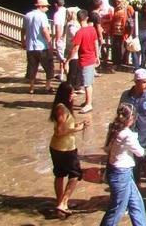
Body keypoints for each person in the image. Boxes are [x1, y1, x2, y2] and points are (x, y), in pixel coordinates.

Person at [119, 68, 146, 217]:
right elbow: (119, 117)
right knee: (133, 174)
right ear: (136, 82)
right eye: (144, 82)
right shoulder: (125, 96)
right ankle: (133, 203)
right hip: (130, 143)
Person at [100, 103, 146, 226]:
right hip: (121, 174)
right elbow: (140, 152)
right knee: (117, 209)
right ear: (131, 119)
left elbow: (106, 148)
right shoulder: (127, 135)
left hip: (118, 171)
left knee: (136, 203)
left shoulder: (114, 128)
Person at [49, 81, 89, 218]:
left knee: (59, 175)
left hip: (58, 147)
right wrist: (78, 128)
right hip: (65, 148)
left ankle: (61, 202)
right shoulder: (62, 109)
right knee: (75, 174)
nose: (73, 95)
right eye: (71, 93)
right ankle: (63, 202)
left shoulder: (61, 107)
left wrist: (77, 124)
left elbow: (64, 126)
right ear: (66, 94)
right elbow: (59, 131)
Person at [22, 0, 54, 94]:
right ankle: (47, 86)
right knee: (49, 66)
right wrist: (50, 43)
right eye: (46, 6)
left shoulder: (27, 15)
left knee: (32, 67)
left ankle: (31, 87)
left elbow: (23, 29)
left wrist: (22, 41)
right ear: (41, 6)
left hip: (30, 46)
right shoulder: (42, 16)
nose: (47, 8)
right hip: (42, 46)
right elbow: (44, 30)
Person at [69, 9, 99, 113]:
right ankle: (87, 101)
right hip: (91, 58)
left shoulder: (80, 32)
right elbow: (96, 43)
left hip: (85, 59)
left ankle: (89, 104)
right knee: (88, 82)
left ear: (78, 19)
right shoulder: (92, 29)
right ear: (87, 18)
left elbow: (75, 48)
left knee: (87, 84)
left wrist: (68, 59)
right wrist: (97, 56)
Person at [109, 0, 134, 67]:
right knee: (116, 47)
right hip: (116, 31)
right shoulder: (116, 8)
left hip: (124, 31)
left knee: (122, 47)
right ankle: (116, 62)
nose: (117, 3)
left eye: (118, 1)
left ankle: (121, 63)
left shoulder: (129, 8)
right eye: (116, 1)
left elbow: (132, 18)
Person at [63, 7, 82, 90]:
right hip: (73, 50)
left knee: (75, 69)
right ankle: (72, 87)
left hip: (72, 49)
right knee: (73, 70)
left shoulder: (70, 24)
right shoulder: (72, 25)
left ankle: (75, 86)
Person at [132, 2, 146, 69]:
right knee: (144, 52)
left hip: (139, 33)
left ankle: (136, 67)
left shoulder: (138, 14)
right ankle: (143, 66)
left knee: (136, 51)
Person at [52, 0, 67, 78]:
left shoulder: (57, 14)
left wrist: (57, 40)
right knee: (66, 56)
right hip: (69, 36)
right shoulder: (67, 11)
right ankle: (61, 74)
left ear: (55, 4)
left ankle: (63, 75)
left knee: (62, 58)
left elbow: (58, 28)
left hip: (62, 38)